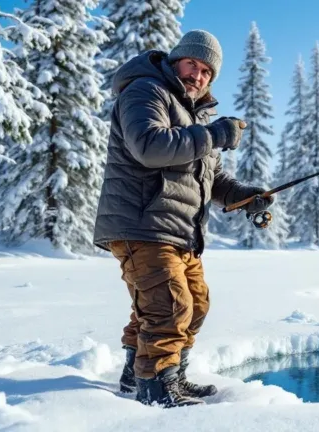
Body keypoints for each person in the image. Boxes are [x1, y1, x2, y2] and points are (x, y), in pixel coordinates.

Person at [92, 29, 273, 408]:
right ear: (177, 60)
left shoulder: (196, 113)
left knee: (195, 304)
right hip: (142, 223)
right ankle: (156, 390)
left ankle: (149, 374)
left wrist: (245, 196)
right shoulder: (145, 91)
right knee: (170, 306)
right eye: (193, 64)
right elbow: (149, 146)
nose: (198, 75)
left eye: (208, 71)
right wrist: (212, 134)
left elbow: (212, 178)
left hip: (179, 231)